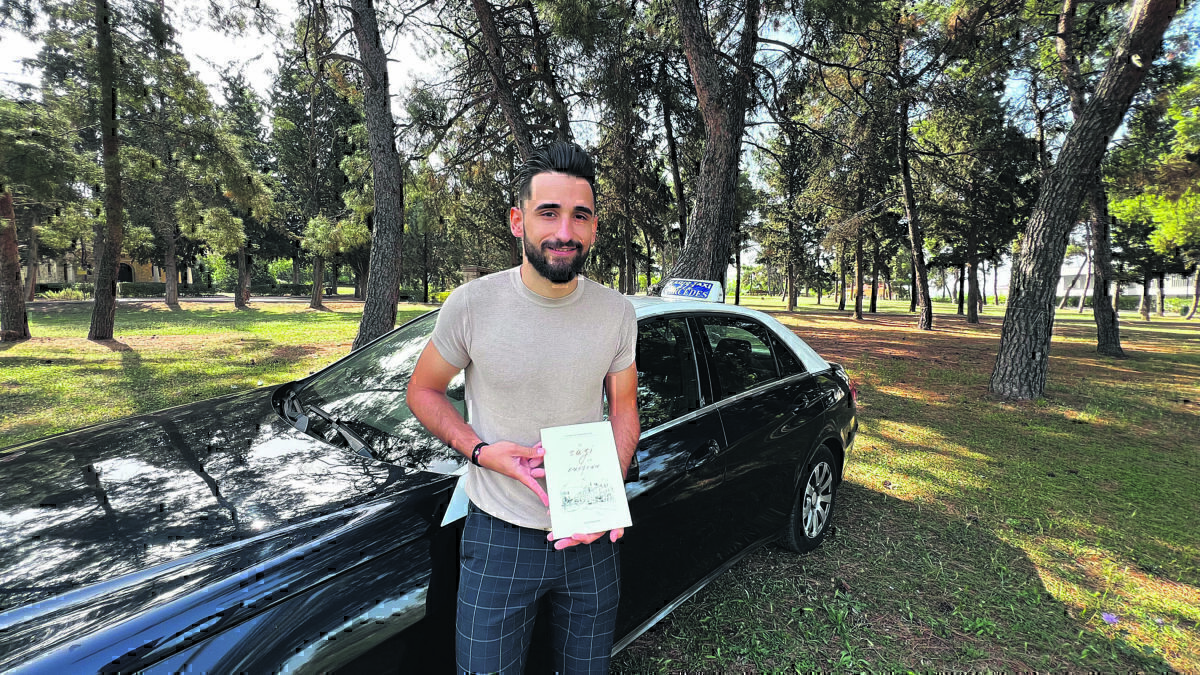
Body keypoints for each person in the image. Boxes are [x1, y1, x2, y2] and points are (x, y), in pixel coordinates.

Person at [406, 141, 639, 674]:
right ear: (518, 221)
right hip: (499, 534)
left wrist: (607, 499)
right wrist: (480, 451)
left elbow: (624, 409)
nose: (565, 231)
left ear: (594, 227)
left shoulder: (616, 313)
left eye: (580, 216)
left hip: (590, 540)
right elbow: (423, 390)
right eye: (548, 213)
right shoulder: (472, 305)